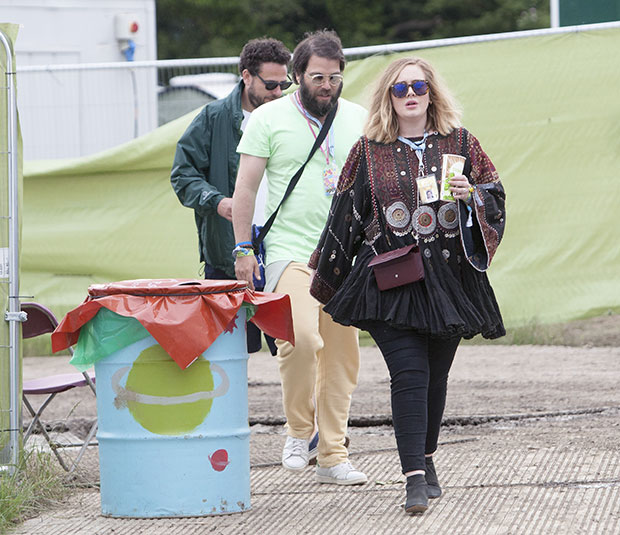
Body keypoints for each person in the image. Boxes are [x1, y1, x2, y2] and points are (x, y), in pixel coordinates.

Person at [309, 57, 506, 513]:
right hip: (391, 280)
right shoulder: (368, 151)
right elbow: (344, 216)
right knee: (410, 375)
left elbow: (494, 194)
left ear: (432, 93)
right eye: (400, 89)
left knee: (436, 378)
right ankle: (413, 479)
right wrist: (325, 282)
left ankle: (428, 457)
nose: (411, 94)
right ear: (389, 98)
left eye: (419, 86)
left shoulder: (462, 142)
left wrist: (472, 196)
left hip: (452, 281)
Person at [232, 30, 368, 485]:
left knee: (342, 357)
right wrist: (243, 248)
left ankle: (332, 455)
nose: (326, 85)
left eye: (334, 76)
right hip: (292, 251)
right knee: (302, 338)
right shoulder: (267, 119)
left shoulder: (361, 120)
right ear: (296, 76)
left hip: (346, 256)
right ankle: (298, 430)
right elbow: (246, 188)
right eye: (317, 76)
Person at [170, 37, 291, 353]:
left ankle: (302, 405)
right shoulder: (212, 118)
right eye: (271, 85)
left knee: (295, 344)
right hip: (227, 252)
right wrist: (217, 201)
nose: (278, 93)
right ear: (247, 75)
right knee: (230, 349)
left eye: (284, 84)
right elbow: (183, 175)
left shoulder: (293, 117)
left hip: (285, 248)